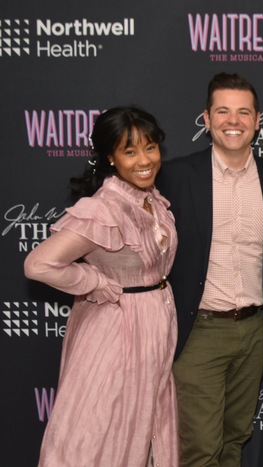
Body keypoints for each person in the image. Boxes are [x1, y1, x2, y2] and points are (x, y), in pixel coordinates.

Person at [24, 107, 179, 466]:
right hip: (116, 334)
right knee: (99, 429)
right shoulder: (103, 209)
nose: (145, 160)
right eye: (130, 151)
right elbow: (38, 264)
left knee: (140, 428)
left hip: (152, 334)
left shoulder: (151, 200)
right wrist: (93, 282)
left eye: (151, 147)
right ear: (110, 157)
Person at [156, 72, 263, 467]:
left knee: (235, 440)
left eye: (244, 112)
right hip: (199, 331)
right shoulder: (175, 176)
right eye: (223, 111)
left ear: (258, 120)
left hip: (253, 331)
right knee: (200, 447)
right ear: (206, 117)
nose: (234, 121)